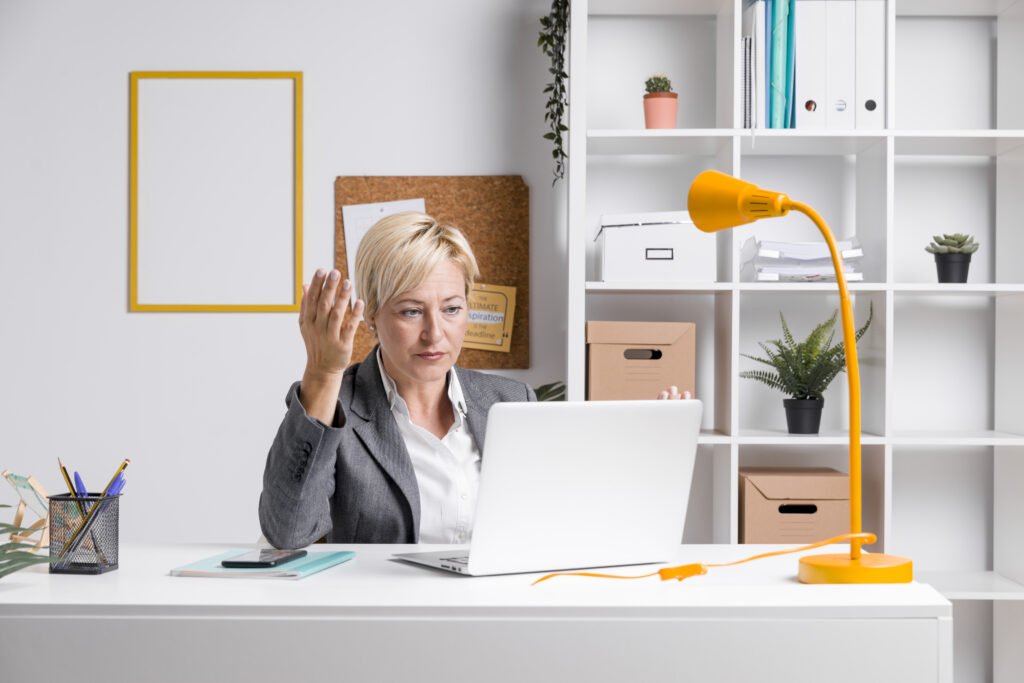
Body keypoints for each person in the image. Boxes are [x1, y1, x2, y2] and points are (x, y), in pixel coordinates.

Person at [259, 212, 536, 548]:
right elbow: (288, 533)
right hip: (380, 599)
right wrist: (323, 373)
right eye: (411, 311)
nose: (434, 334)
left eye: (451, 309)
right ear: (372, 314)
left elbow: (547, 523)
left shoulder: (510, 400)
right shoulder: (336, 406)